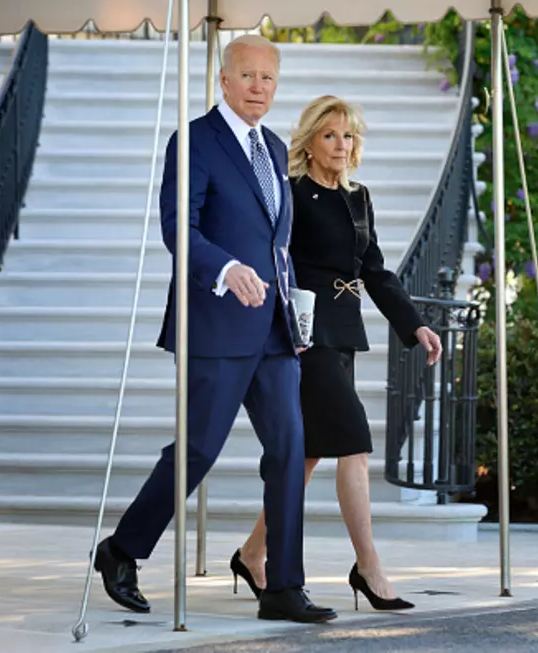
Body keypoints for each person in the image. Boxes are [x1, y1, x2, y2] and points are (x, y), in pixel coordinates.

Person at [92, 35, 336, 625]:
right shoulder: (193, 139)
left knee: (289, 449)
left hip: (275, 332)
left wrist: (295, 311)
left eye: (269, 79)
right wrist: (226, 269)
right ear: (223, 81)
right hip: (215, 323)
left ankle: (283, 588)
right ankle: (121, 551)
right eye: (248, 76)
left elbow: (278, 243)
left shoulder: (277, 148)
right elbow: (180, 228)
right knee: (197, 450)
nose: (259, 87)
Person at [231, 96, 443, 611]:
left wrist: (414, 325)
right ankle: (368, 567)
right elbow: (272, 259)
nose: (341, 145)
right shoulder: (291, 194)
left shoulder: (358, 197)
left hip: (343, 332)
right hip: (304, 332)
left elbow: (374, 270)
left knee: (306, 455)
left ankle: (253, 552)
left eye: (348, 136)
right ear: (309, 141)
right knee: (354, 440)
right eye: (329, 135)